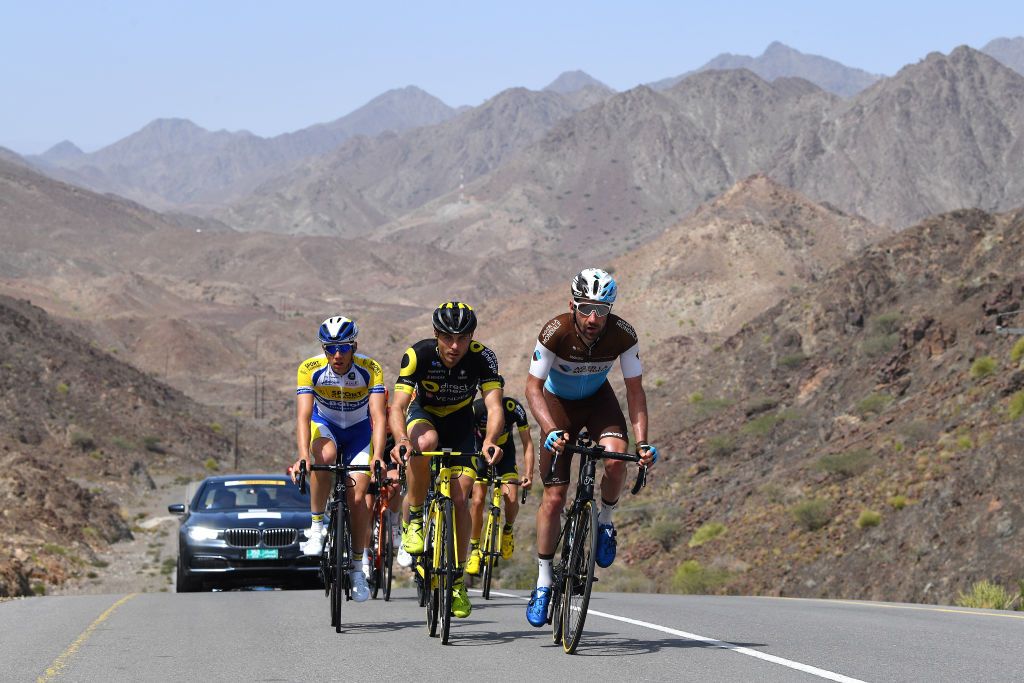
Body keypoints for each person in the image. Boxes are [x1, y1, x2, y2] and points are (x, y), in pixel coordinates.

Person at [523, 268, 659, 627]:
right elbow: (532, 388)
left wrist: (642, 441)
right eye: (585, 308)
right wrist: (550, 429)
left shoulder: (623, 335)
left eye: (602, 309)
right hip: (558, 406)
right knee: (554, 498)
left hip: (599, 401)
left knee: (616, 460)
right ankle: (543, 580)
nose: (594, 318)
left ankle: (606, 522)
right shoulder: (555, 331)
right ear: (573, 305)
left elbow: (634, 391)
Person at [389, 301, 505, 619]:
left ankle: (456, 582)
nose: (455, 346)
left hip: (460, 424)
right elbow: (397, 406)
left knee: (459, 496)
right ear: (436, 334)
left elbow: (494, 407)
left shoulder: (483, 357)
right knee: (424, 442)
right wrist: (401, 440)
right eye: (448, 337)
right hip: (424, 416)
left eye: (463, 338)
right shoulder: (419, 354)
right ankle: (413, 517)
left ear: (472, 337)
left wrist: (491, 440)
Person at [290, 316, 387, 603]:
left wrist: (378, 456)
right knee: (325, 456)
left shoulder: (371, 369)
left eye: (343, 348)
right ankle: (317, 526)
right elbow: (303, 416)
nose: (337, 355)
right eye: (330, 348)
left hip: (358, 433)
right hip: (326, 427)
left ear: (354, 346)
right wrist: (303, 456)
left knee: (358, 499)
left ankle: (357, 568)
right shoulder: (310, 369)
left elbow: (379, 417)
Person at [465, 396, 534, 576]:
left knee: (511, 497)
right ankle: (474, 550)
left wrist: (529, 473)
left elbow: (527, 444)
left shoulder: (513, 407)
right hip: (480, 453)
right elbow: (463, 437)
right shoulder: (477, 408)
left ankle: (508, 531)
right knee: (478, 501)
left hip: (506, 455)